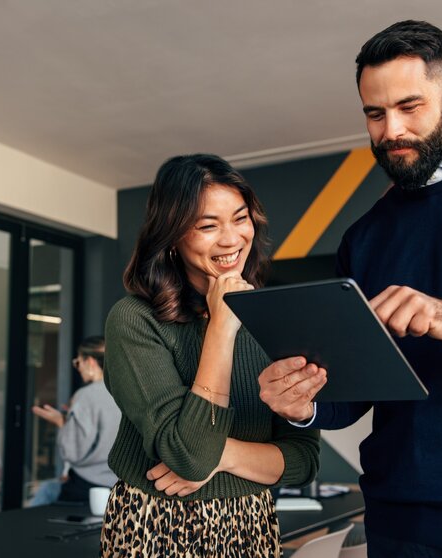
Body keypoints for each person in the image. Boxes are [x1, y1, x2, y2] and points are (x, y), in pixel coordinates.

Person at [258, 20, 442, 557]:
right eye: (375, 114)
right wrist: (301, 402)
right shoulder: (364, 236)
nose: (392, 130)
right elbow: (353, 391)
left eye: (410, 107)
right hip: (398, 518)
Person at [101, 154, 320, 557]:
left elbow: (304, 458)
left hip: (252, 527)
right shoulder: (134, 320)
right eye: (207, 226)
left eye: (240, 218)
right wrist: (222, 325)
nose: (231, 239)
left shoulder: (278, 319)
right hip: (154, 527)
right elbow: (189, 457)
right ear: (172, 237)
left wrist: (227, 455)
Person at [31, 336, 121, 503]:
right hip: (120, 484)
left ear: (91, 362)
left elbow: (73, 452)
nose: (78, 368)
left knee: (45, 493)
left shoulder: (86, 396)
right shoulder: (126, 391)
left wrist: (61, 422)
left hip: (88, 486)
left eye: (78, 362)